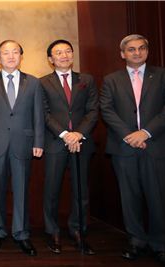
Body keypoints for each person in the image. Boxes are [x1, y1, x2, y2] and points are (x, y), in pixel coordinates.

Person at [100, 34, 165, 267]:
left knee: (159, 198)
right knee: (129, 197)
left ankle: (162, 246)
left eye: (141, 48)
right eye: (131, 49)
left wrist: (145, 132)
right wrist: (130, 135)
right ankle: (136, 241)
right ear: (122, 54)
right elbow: (107, 109)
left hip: (157, 145)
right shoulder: (111, 80)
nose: (137, 52)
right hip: (123, 147)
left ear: (147, 51)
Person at [0, 40, 44, 256]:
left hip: (23, 144)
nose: (10, 56)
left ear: (21, 56)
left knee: (21, 191)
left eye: (15, 52)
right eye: (5, 53)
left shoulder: (34, 83)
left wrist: (38, 142)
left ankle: (22, 234)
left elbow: (39, 114)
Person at [40, 39, 98, 255]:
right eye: (58, 52)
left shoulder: (87, 80)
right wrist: (65, 134)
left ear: (72, 55)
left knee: (80, 191)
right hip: (56, 142)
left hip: (82, 142)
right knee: (52, 190)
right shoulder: (43, 82)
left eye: (67, 51)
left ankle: (78, 231)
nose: (64, 55)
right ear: (50, 59)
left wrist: (78, 134)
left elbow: (93, 110)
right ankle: (52, 231)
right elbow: (44, 113)